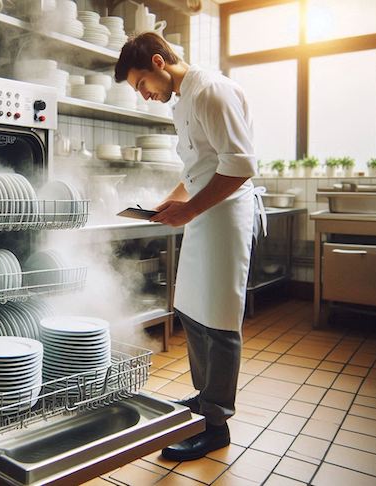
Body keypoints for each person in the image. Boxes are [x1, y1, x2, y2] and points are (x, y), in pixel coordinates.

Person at [114, 32, 263, 461]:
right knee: (193, 308)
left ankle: (216, 425)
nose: (144, 96)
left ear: (158, 63)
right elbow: (201, 165)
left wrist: (189, 209)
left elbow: (239, 166)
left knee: (218, 317)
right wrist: (175, 200)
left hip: (226, 215)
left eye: (142, 85)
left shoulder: (212, 91)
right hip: (202, 213)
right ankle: (203, 398)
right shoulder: (182, 100)